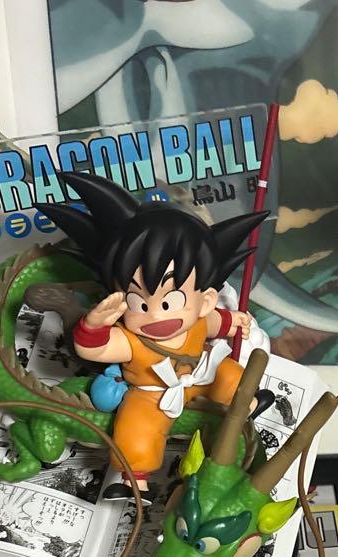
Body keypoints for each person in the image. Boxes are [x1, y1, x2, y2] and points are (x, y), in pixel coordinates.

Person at [37, 172, 270, 500]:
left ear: (205, 300)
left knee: (230, 375)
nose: (156, 315)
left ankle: (250, 403)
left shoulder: (199, 320)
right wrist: (94, 325)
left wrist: (234, 322)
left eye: (169, 301)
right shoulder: (131, 339)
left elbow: (216, 323)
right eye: (140, 303)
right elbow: (96, 349)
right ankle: (134, 479)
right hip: (151, 395)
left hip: (201, 376)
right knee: (136, 427)